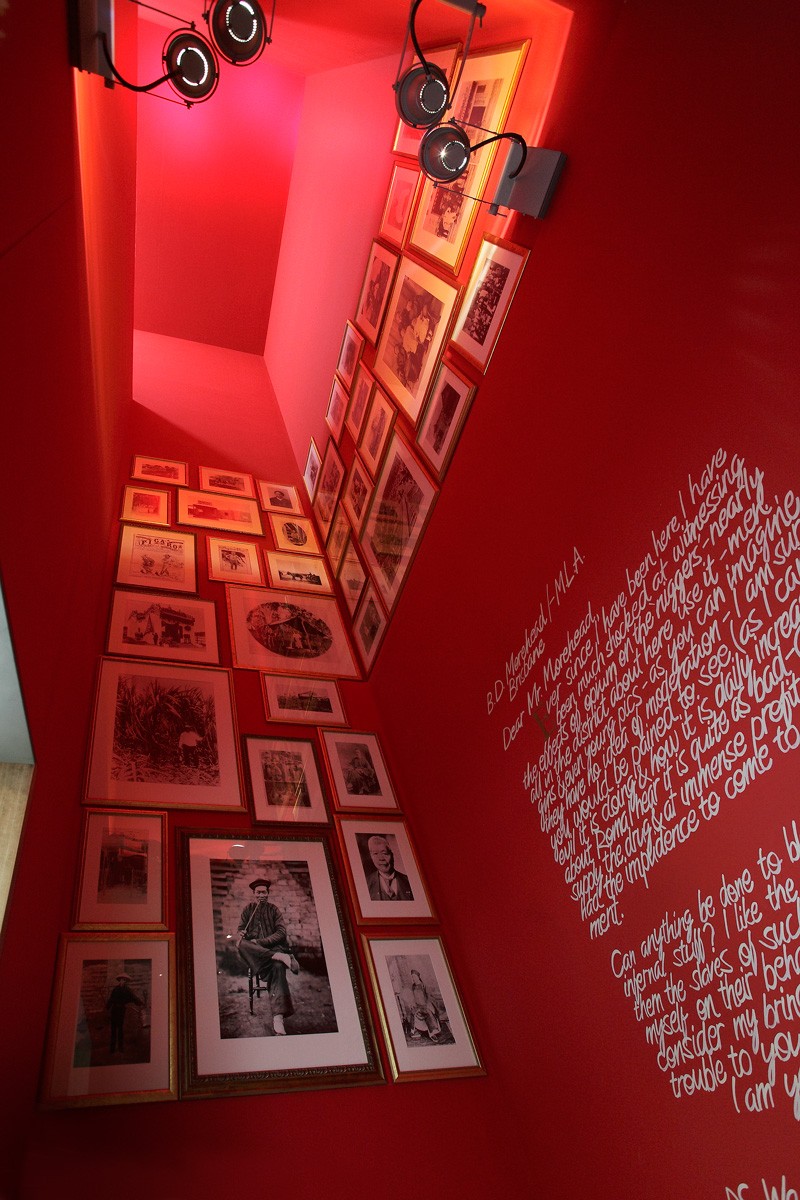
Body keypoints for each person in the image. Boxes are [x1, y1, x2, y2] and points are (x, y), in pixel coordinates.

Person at [236, 878, 299, 1036]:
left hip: (271, 952)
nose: (261, 895)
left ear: (268, 894)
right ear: (254, 894)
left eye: (264, 892)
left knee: (278, 967)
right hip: (257, 955)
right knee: (240, 944)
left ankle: (278, 1019)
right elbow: (240, 930)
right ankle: (279, 956)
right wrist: (242, 933)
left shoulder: (274, 910)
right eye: (258, 893)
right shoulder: (248, 910)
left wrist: (261, 941)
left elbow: (281, 933)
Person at [365, 835, 413, 901]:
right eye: (375, 854)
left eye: (384, 853)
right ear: (371, 857)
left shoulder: (409, 881)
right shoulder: (366, 884)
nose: (381, 858)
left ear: (392, 855)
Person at [106, 972, 143, 1053]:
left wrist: (140, 1002)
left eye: (124, 980)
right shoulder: (115, 989)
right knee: (113, 1030)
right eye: (121, 980)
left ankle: (120, 1048)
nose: (122, 981)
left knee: (120, 1029)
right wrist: (107, 1008)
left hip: (121, 1011)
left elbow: (133, 998)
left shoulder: (127, 990)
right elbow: (111, 999)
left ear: (126, 981)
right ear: (119, 980)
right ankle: (112, 1049)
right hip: (114, 1010)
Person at [409, 968, 441, 1041]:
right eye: (412, 977)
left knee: (428, 1013)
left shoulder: (423, 985)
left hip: (425, 1005)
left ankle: (432, 1033)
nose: (413, 978)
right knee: (412, 1012)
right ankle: (414, 1031)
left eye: (414, 976)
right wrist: (412, 1004)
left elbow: (428, 996)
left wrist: (428, 1005)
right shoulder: (413, 986)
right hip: (417, 1005)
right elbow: (413, 997)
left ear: (418, 977)